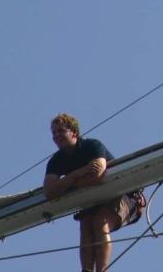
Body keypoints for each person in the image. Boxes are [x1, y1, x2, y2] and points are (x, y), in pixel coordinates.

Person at [43, 113, 143, 272]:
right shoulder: (57, 160)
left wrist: (66, 184)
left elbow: (97, 176)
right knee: (85, 225)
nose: (56, 136)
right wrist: (77, 174)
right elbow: (49, 192)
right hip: (93, 199)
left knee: (99, 221)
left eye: (60, 131)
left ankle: (102, 270)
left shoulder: (92, 146)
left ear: (74, 132)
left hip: (123, 195)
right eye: (54, 133)